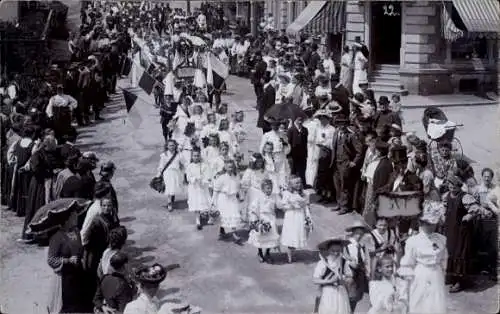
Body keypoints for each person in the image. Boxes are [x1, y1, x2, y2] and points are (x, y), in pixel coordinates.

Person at [398, 201, 448, 313]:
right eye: (428, 223)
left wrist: (441, 273)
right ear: (421, 223)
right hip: (420, 275)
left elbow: (444, 259)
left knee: (435, 305)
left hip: (436, 275)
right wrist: (403, 292)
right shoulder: (413, 241)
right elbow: (407, 265)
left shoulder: (441, 239)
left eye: (434, 223)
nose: (431, 226)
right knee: (420, 304)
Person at [47, 209, 86, 313]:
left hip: (77, 272)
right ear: (66, 220)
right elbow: (51, 260)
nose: (77, 217)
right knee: (66, 304)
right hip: (65, 277)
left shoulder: (76, 231)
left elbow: (80, 247)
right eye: (74, 216)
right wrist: (68, 260)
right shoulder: (57, 237)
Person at [443, 174, 474, 293]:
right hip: (450, 229)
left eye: (453, 184)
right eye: (449, 184)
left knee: (460, 253)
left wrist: (468, 215)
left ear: (458, 185)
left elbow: (475, 209)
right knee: (450, 251)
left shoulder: (465, 197)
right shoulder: (447, 196)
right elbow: (445, 208)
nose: (451, 186)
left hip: (461, 230)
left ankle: (459, 282)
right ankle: (452, 277)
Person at [330, 114, 364, 215]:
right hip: (336, 162)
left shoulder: (351, 135)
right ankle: (339, 203)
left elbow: (360, 151)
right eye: (339, 123)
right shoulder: (336, 133)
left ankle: (344, 206)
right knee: (337, 184)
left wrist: (354, 162)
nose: (341, 126)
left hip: (345, 163)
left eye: (343, 123)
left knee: (344, 186)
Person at [313, 238, 352, 314]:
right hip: (327, 292)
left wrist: (345, 280)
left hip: (341, 293)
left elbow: (349, 276)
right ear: (328, 250)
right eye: (333, 251)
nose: (336, 253)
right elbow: (315, 280)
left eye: (338, 251)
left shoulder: (343, 262)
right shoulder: (323, 263)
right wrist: (329, 281)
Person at [280, 175, 313, 263]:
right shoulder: (287, 193)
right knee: (291, 234)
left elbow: (307, 204)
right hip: (291, 216)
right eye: (296, 183)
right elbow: (283, 206)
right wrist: (292, 206)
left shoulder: (305, 193)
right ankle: (289, 255)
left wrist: (307, 212)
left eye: (300, 182)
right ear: (291, 184)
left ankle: (292, 252)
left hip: (300, 216)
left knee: (297, 233)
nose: (299, 184)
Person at [248, 179, 280, 264]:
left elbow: (279, 205)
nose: (269, 190)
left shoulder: (274, 197)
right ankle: (260, 252)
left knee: (271, 235)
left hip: (271, 218)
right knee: (261, 235)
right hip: (262, 217)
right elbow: (253, 208)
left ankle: (268, 253)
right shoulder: (259, 197)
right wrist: (255, 219)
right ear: (262, 189)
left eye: (271, 188)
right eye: (268, 188)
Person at [362, 140, 393, 227]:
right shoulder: (387, 162)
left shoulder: (380, 165)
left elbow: (376, 183)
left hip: (377, 193)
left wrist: (374, 198)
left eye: (376, 150)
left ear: (379, 152)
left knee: (373, 214)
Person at [212, 159, 243, 244]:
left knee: (233, 215)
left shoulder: (236, 176)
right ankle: (222, 231)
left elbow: (238, 187)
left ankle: (234, 234)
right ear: (225, 167)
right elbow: (216, 190)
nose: (230, 168)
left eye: (232, 167)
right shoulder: (221, 177)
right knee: (224, 216)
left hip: (232, 199)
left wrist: (240, 196)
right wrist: (213, 202)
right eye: (228, 167)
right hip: (223, 199)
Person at [344, 221, 371, 313]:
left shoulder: (361, 246)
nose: (359, 236)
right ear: (352, 232)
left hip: (359, 275)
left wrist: (366, 271)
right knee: (348, 298)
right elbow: (343, 256)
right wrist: (349, 262)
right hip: (349, 275)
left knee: (355, 298)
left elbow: (364, 260)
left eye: (361, 233)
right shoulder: (346, 244)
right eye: (357, 233)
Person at [185, 148, 210, 230]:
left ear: (200, 156)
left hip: (202, 187)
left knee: (202, 202)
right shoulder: (189, 166)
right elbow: (188, 177)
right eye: (194, 156)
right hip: (194, 187)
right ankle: (197, 219)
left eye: (198, 156)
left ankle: (205, 215)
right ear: (192, 157)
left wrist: (203, 180)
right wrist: (195, 179)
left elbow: (207, 176)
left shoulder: (204, 165)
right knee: (196, 203)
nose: (196, 157)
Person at [156, 140, 184, 212]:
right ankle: (169, 203)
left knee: (173, 187)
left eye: (173, 145)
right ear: (167, 146)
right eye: (170, 145)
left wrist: (182, 169)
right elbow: (161, 165)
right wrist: (159, 174)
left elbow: (182, 163)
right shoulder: (164, 155)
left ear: (175, 146)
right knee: (169, 187)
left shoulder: (179, 154)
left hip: (176, 173)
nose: (172, 147)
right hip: (168, 173)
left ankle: (172, 200)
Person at [287, 116, 308, 188]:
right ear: (294, 119)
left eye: (301, 119)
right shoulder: (291, 130)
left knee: (302, 170)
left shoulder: (305, 130)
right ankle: (292, 186)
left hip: (302, 154)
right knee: (293, 171)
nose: (300, 121)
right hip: (293, 155)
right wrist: (289, 155)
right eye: (298, 119)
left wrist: (306, 153)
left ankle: (302, 185)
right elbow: (289, 143)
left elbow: (305, 143)